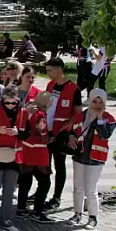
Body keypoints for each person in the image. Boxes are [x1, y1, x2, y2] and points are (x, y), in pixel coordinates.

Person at [67, 88, 116, 229]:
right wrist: (71, 136)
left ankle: (93, 217)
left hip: (96, 157)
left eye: (100, 102)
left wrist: (100, 119)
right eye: (94, 102)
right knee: (78, 188)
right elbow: (72, 130)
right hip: (80, 155)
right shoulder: (81, 116)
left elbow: (105, 135)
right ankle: (77, 214)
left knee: (90, 189)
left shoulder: (109, 119)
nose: (97, 105)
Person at [0, 85, 29, 231]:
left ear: (18, 101)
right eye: (7, 102)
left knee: (9, 192)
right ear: (3, 101)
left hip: (14, 158)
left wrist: (17, 133)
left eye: (13, 103)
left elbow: (27, 134)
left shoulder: (23, 114)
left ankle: (6, 220)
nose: (10, 106)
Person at [43, 58, 81, 211]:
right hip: (47, 130)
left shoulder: (73, 88)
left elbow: (77, 114)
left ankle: (56, 197)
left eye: (50, 70)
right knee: (44, 165)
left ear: (59, 70)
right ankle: (42, 191)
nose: (48, 73)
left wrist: (67, 131)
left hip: (62, 133)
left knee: (59, 165)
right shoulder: (50, 85)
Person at [17, 91, 54, 222]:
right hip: (38, 153)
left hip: (26, 150)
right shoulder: (41, 115)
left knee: (25, 180)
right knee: (45, 182)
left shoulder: (27, 110)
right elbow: (41, 134)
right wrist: (50, 138)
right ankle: (37, 212)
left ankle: (21, 207)